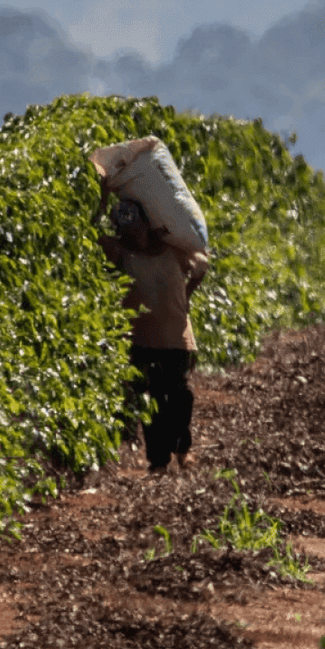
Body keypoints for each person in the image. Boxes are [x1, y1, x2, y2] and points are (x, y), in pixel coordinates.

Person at [96, 189, 208, 474]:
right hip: (142, 338)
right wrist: (101, 197)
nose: (134, 235)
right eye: (127, 230)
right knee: (153, 399)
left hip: (176, 335)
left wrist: (186, 297)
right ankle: (158, 462)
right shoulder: (122, 253)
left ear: (147, 224)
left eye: (136, 228)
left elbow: (201, 267)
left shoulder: (172, 249)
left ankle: (183, 449)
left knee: (180, 394)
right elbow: (91, 233)